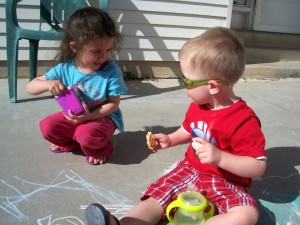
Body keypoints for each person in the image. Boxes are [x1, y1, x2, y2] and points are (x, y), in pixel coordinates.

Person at [85, 27, 267, 224]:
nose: (183, 85)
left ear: (213, 86)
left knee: (247, 214)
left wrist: (221, 157)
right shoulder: (199, 106)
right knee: (157, 199)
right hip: (189, 169)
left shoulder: (243, 120)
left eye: (187, 80)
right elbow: (189, 129)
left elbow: (257, 166)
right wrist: (171, 139)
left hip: (225, 179)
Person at [26, 7, 127, 165]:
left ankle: (101, 149)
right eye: (96, 51)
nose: (104, 56)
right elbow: (31, 87)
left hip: (102, 117)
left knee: (86, 135)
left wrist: (90, 117)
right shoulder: (65, 69)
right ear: (75, 47)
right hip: (74, 116)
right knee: (47, 127)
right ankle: (75, 143)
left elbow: (114, 103)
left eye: (108, 50)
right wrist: (49, 84)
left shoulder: (111, 70)